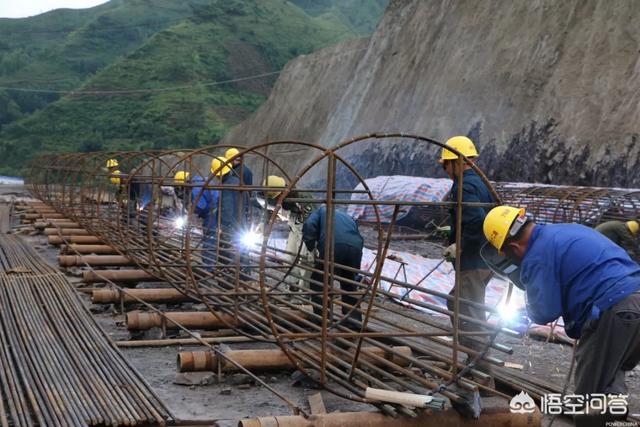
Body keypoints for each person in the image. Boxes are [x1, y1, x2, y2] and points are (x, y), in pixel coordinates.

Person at [483, 205, 640, 425]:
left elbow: (544, 312)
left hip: (615, 308)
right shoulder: (564, 230)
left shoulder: (537, 255)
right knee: (612, 375)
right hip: (635, 296)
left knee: (588, 403)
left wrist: (527, 286)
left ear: (514, 247)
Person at [439, 136, 496, 368]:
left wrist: (459, 246)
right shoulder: (480, 182)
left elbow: (477, 221)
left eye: (446, 165)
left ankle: (481, 371)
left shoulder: (466, 185)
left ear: (457, 162)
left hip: (473, 260)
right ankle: (471, 358)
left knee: (470, 313)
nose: (445, 170)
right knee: (456, 302)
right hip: (486, 258)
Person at [302, 205, 364, 323]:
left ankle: (323, 320)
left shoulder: (320, 211)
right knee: (349, 284)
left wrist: (310, 246)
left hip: (333, 245)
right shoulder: (347, 216)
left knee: (318, 281)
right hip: (356, 248)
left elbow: (309, 226)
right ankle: (353, 322)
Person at [262, 175, 315, 294]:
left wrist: (311, 241)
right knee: (289, 258)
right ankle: (291, 287)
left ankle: (304, 292)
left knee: (305, 261)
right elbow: (269, 209)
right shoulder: (283, 198)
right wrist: (264, 225)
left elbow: (313, 220)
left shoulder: (302, 197)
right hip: (295, 229)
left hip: (307, 231)